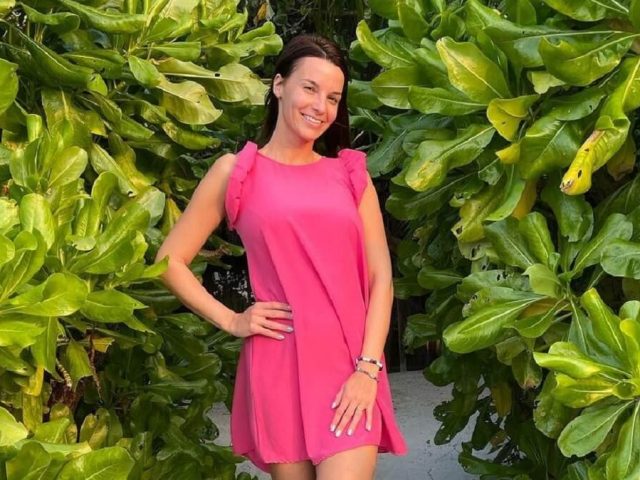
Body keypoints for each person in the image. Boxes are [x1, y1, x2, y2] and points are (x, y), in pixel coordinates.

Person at [155, 33, 408, 480]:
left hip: (350, 365)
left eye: (333, 98)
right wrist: (232, 319)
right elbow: (170, 261)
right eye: (310, 88)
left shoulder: (350, 174)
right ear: (278, 85)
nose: (320, 106)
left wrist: (368, 369)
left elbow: (380, 279)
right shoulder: (236, 172)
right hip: (278, 365)